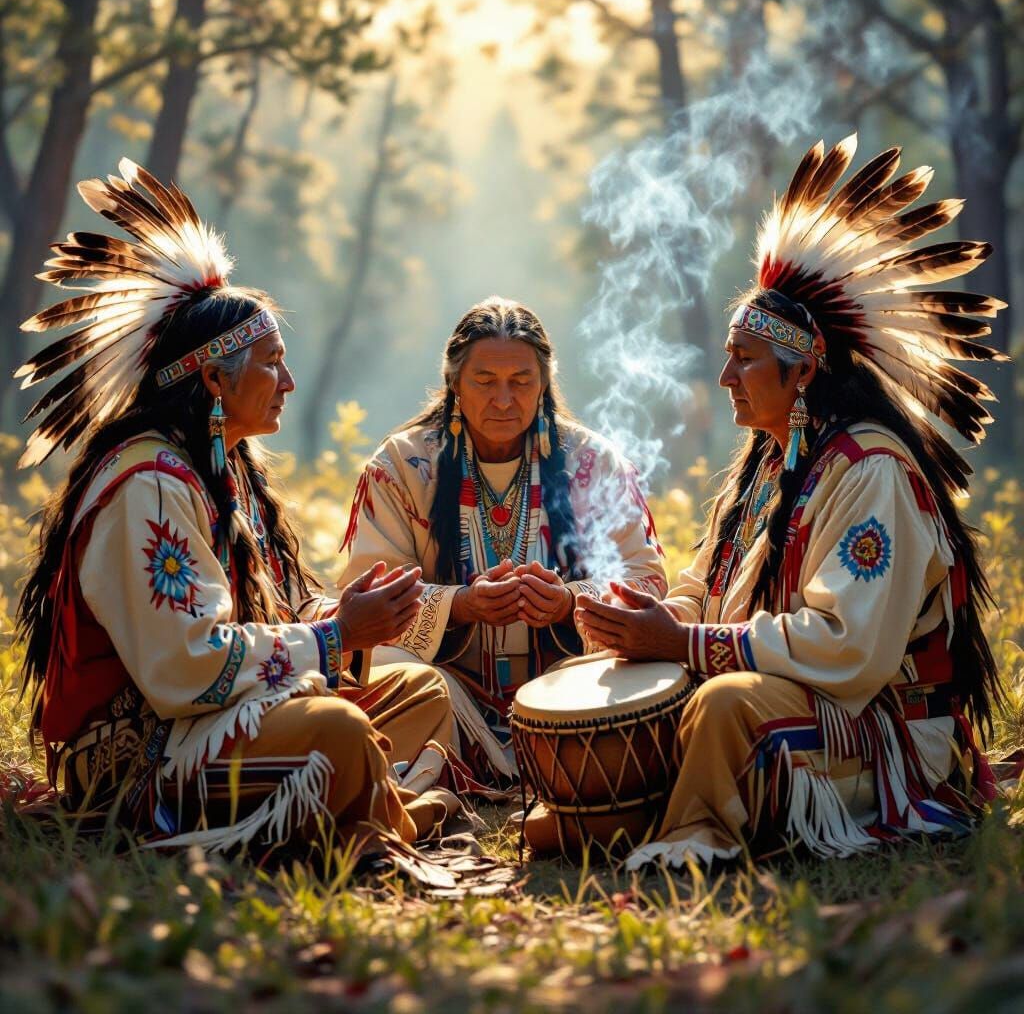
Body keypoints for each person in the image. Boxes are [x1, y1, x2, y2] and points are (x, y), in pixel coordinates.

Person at [576, 134, 1006, 868]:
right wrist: (650, 623)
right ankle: (636, 815)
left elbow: (848, 647)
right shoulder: (770, 467)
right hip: (798, 697)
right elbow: (709, 590)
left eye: (744, 358)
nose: (726, 377)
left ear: (802, 370)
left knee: (718, 705)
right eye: (728, 356)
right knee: (638, 697)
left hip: (884, 728)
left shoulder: (872, 473)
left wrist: (683, 646)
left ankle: (695, 834)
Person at [15, 159, 455, 853]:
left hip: (218, 716)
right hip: (143, 756)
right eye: (272, 363)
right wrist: (336, 637)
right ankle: (376, 806)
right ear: (215, 379)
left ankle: (372, 798)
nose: (289, 381)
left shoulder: (224, 470)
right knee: (337, 732)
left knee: (421, 691)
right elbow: (187, 668)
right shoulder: (146, 485)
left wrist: (335, 616)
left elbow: (262, 617)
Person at [338, 296, 667, 787]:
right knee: (386, 668)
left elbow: (645, 581)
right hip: (449, 694)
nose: (504, 400)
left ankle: (543, 759)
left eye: (521, 382)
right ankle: (461, 764)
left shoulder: (592, 463)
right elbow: (371, 601)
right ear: (454, 382)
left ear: (544, 384)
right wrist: (461, 606)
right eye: (485, 382)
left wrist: (568, 604)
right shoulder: (403, 466)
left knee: (643, 664)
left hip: (567, 684)